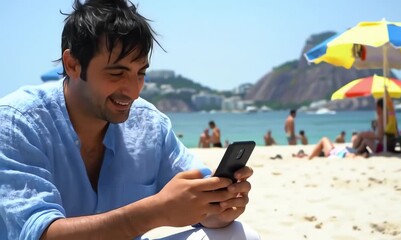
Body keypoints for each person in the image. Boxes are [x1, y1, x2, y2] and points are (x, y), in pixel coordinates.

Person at [0, 1, 259, 239]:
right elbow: (39, 235)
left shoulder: (148, 124)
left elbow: (201, 206)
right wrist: (155, 212)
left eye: (140, 73)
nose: (133, 90)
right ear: (73, 64)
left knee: (236, 234)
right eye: (117, 73)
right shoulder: (17, 122)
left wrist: (218, 206)